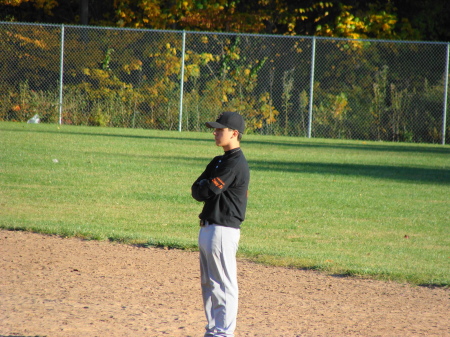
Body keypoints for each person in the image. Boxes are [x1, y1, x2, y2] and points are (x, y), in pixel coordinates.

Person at [191, 111, 250, 337]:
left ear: (234, 133)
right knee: (209, 285)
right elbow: (197, 191)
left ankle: (224, 333)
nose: (215, 132)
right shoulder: (219, 161)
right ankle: (214, 330)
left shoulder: (235, 163)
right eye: (214, 129)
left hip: (223, 230)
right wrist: (204, 188)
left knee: (224, 285)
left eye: (219, 129)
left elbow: (208, 189)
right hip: (208, 228)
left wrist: (205, 188)